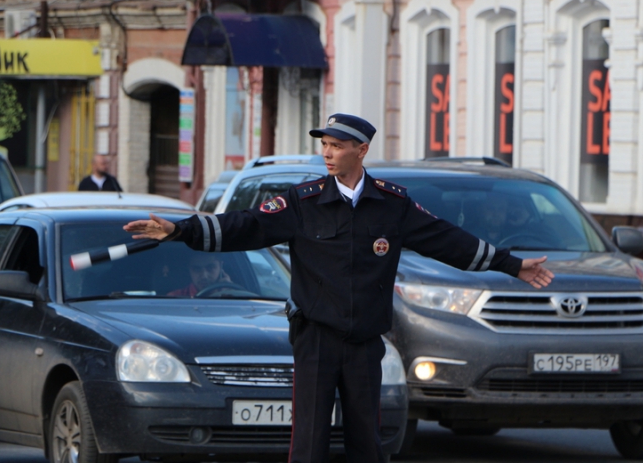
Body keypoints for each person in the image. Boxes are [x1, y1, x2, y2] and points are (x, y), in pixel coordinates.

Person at [124, 113, 554, 463]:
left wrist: (511, 265)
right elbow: (246, 226)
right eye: (325, 145)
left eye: (336, 146)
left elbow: (447, 239)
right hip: (316, 338)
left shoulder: (392, 204)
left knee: (366, 443)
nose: (327, 153)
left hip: (365, 342)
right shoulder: (303, 201)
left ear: (361, 150)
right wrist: (179, 230)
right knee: (309, 443)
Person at [168, 252, 238, 297]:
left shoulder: (237, 296)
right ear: (189, 270)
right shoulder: (175, 297)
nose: (204, 276)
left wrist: (230, 293)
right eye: (197, 269)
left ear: (221, 267)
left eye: (210, 268)